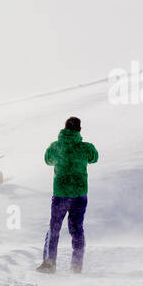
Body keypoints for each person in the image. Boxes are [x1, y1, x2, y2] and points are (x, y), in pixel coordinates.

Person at [37, 116, 98, 274]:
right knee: (77, 229)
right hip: (79, 194)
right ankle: (76, 265)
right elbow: (94, 158)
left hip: (61, 194)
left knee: (54, 228)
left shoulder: (56, 147)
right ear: (79, 129)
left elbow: (47, 160)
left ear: (64, 128)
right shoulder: (86, 148)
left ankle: (49, 264)